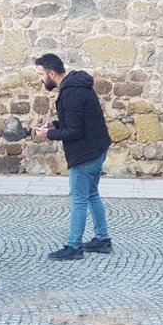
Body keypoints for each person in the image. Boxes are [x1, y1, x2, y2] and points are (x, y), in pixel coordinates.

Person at [33, 53, 113, 260]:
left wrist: (48, 133)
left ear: (51, 73)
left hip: (85, 154)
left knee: (78, 200)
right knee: (92, 194)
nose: (41, 79)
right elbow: (79, 122)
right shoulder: (78, 86)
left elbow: (75, 132)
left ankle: (74, 247)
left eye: (41, 74)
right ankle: (102, 239)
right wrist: (56, 124)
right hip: (97, 149)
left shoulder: (71, 94)